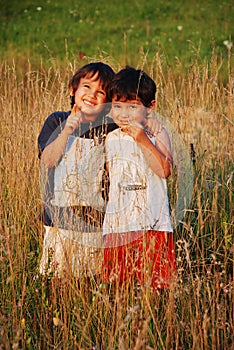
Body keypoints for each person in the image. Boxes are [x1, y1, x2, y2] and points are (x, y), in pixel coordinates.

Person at [38, 62, 161, 278]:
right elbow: (48, 160)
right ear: (72, 89)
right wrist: (68, 129)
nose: (92, 95)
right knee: (57, 279)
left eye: (101, 92)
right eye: (86, 87)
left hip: (96, 222)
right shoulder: (56, 121)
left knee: (89, 279)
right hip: (58, 221)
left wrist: (150, 123)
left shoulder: (111, 127)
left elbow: (134, 118)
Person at [102, 66, 176, 289]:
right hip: (119, 226)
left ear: (150, 107)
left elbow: (164, 170)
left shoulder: (157, 133)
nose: (123, 113)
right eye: (117, 106)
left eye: (132, 106)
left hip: (153, 224)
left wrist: (143, 138)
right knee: (119, 286)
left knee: (156, 287)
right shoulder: (110, 138)